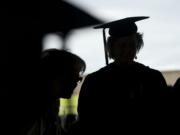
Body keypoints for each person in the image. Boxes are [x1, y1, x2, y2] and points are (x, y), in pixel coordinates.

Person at [77, 16, 168, 134]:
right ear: (112, 48)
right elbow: (87, 120)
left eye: (132, 44)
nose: (128, 49)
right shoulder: (95, 81)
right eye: (122, 45)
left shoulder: (153, 78)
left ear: (138, 45)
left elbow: (163, 115)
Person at [26, 48, 86, 135]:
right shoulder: (32, 110)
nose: (76, 83)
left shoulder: (53, 103)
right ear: (52, 74)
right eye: (71, 76)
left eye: (79, 79)